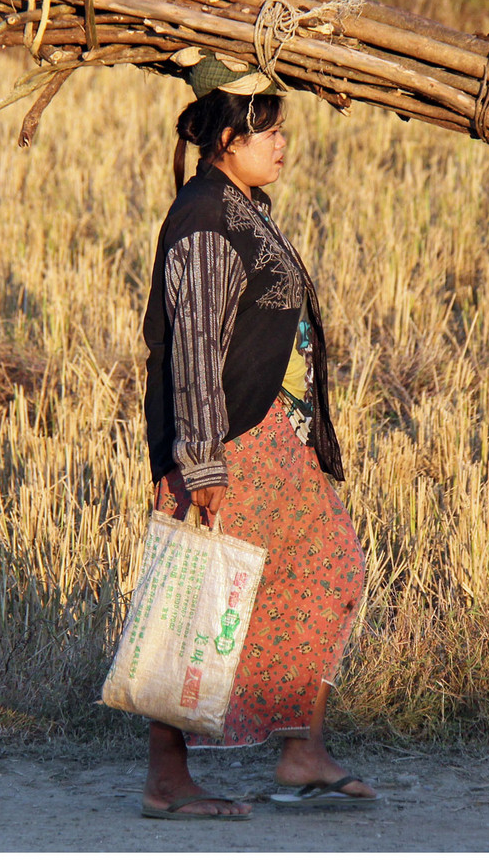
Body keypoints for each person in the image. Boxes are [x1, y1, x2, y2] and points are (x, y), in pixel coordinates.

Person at [136, 53, 377, 820]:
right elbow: (195, 345)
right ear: (228, 137)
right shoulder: (205, 216)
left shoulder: (242, 205)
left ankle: (299, 748)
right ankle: (167, 780)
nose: (282, 143)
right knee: (200, 602)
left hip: (278, 440)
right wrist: (201, 463)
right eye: (268, 130)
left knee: (324, 569)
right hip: (231, 442)